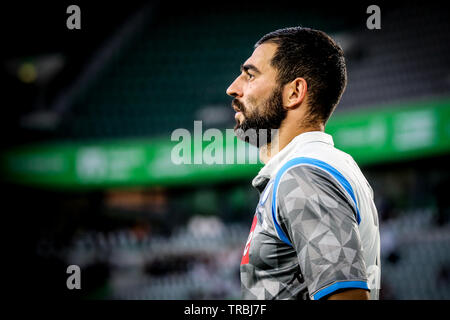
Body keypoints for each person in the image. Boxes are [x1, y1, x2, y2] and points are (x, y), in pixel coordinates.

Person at [226, 27, 380, 300]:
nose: (233, 88)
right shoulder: (317, 167)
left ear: (294, 92)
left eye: (250, 75)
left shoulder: (303, 176)